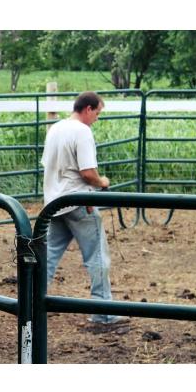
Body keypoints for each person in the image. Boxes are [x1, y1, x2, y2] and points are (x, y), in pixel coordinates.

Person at [41, 91, 127, 325]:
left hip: (55, 204)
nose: (97, 118)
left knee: (47, 257)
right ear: (88, 109)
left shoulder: (56, 128)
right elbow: (87, 172)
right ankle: (103, 312)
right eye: (97, 112)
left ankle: (33, 305)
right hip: (79, 204)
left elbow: (48, 166)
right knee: (97, 257)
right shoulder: (82, 132)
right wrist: (102, 182)